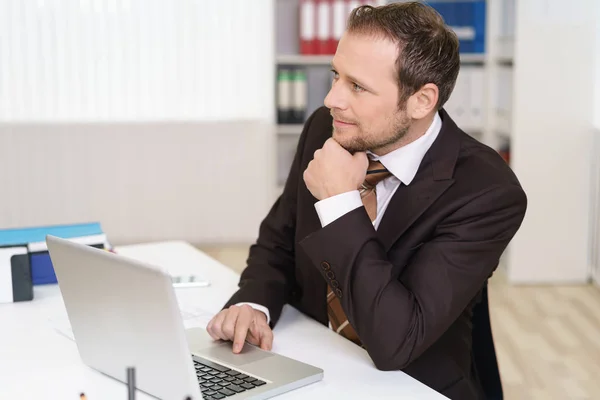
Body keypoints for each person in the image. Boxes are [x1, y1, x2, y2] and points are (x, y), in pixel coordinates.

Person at [206, 2, 527, 399]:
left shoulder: (486, 192)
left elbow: (396, 341)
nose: (330, 99)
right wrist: (253, 304)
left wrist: (339, 203)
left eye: (357, 86)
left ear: (422, 101)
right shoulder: (328, 128)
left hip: (409, 385)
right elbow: (278, 242)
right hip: (315, 364)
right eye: (336, 75)